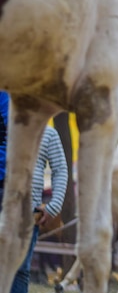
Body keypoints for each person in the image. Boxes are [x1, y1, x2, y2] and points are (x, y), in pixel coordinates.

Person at [0, 91, 69, 293]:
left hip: (29, 210)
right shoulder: (8, 129)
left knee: (20, 268)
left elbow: (60, 170)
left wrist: (54, 205)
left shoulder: (49, 134)